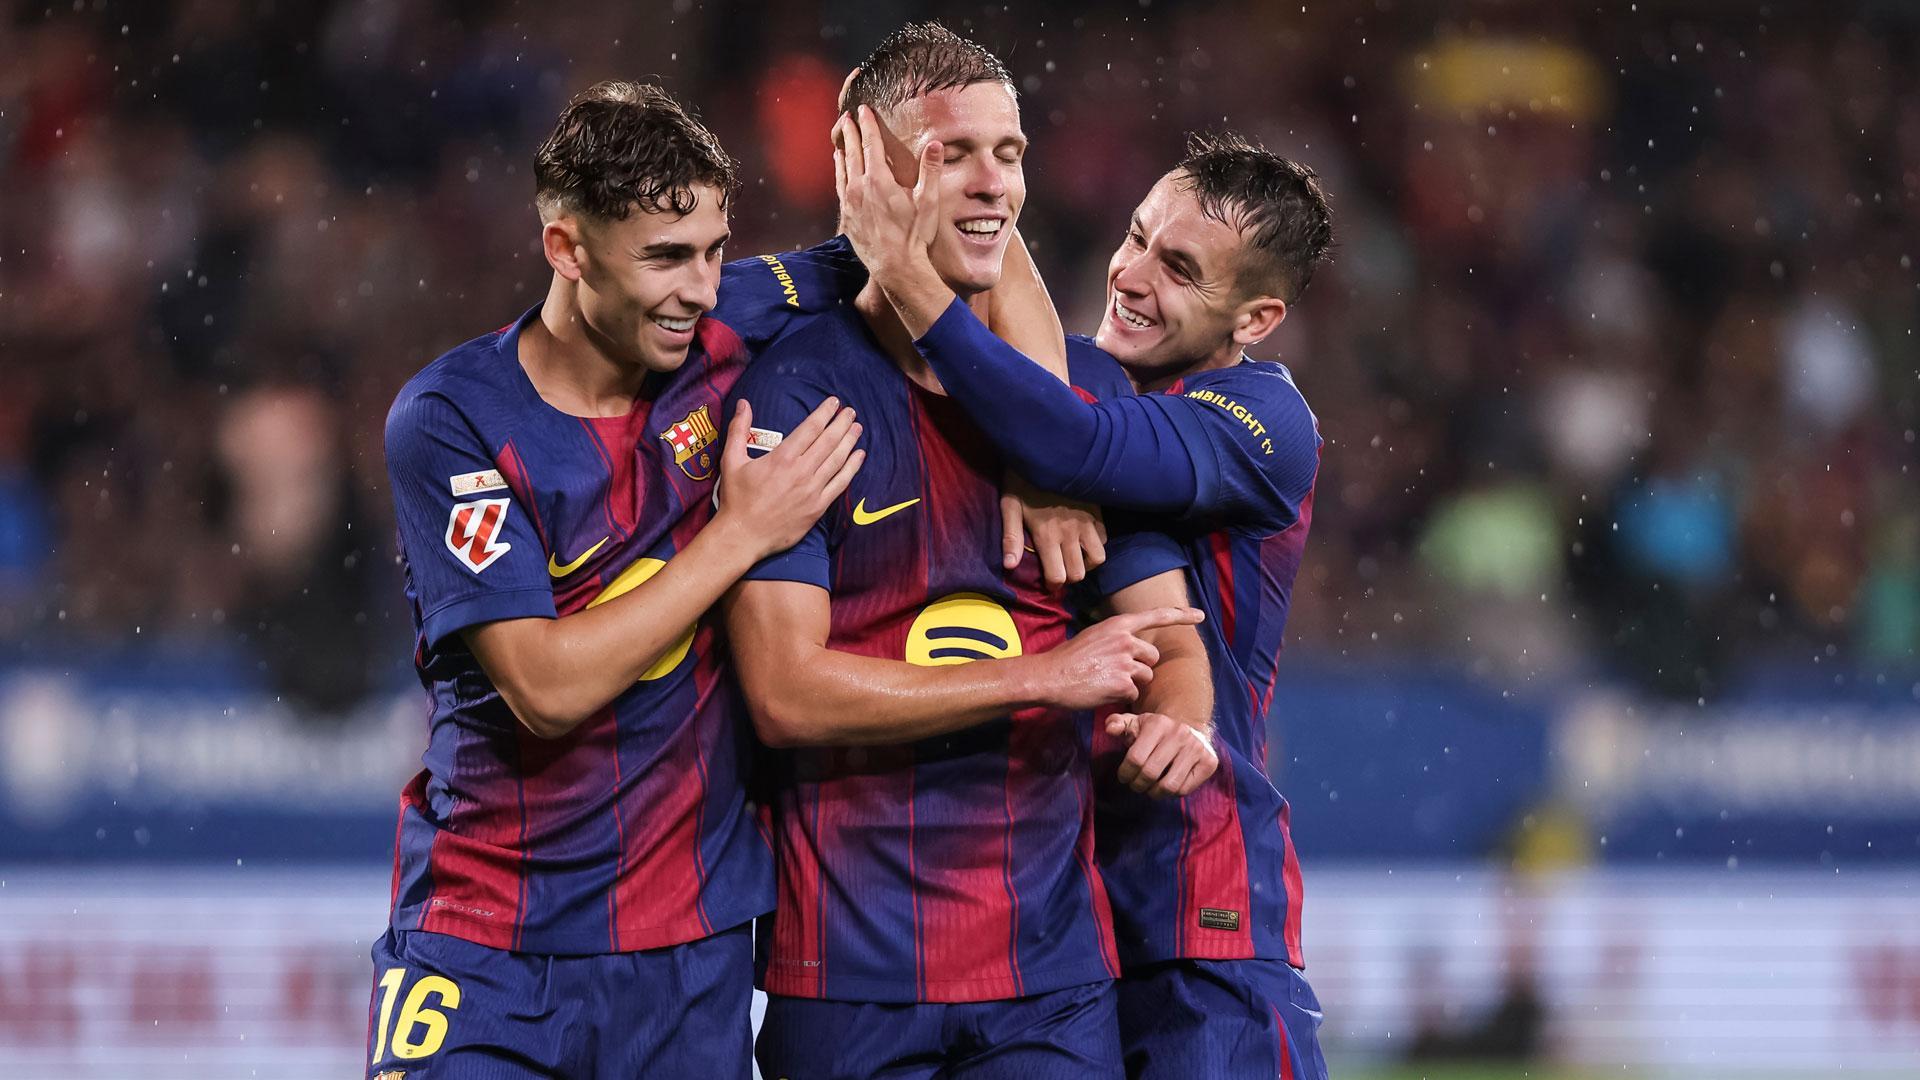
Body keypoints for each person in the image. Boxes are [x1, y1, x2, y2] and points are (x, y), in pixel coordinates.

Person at [721, 23, 1216, 1080]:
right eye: (955, 153)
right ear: (867, 170)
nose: (995, 184)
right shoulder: (798, 388)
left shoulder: (1082, 400)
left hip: (1047, 982)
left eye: (1012, 151)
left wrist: (1179, 727)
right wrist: (1047, 676)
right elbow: (785, 694)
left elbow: (1171, 648)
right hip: (850, 977)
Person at [370, 81, 869, 1078]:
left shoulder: (728, 321)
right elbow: (547, 689)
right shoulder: (451, 421)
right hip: (485, 947)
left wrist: (1053, 473)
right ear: (567, 249)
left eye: (716, 250)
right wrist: (739, 534)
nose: (698, 288)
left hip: (686, 956)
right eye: (665, 258)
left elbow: (945, 254)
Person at [838, 121, 1335, 1079]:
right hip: (1058, 923)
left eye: (1181, 267)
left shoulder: (1267, 424)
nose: (1134, 274)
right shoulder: (1052, 386)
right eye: (1138, 234)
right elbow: (1063, 419)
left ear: (1256, 319)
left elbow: (1082, 443)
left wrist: (918, 266)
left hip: (1203, 906)